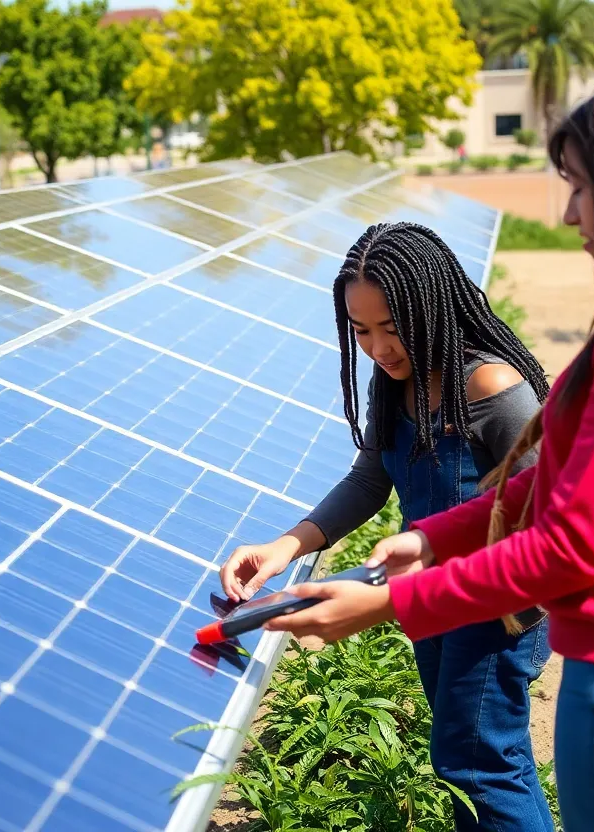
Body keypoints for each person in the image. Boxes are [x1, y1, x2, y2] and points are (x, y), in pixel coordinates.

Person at [262, 68, 594, 831]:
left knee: (485, 762)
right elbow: (555, 491)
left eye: (580, 186)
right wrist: (428, 539)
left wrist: (388, 603)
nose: (569, 212)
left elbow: (570, 543)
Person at [220, 221, 555, 831]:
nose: (377, 348)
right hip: (431, 598)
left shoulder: (492, 388)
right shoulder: (395, 386)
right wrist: (284, 546)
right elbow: (371, 479)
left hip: (498, 605)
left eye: (392, 329)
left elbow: (547, 515)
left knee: (484, 763)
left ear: (433, 307)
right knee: (465, 756)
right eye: (362, 331)